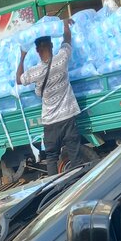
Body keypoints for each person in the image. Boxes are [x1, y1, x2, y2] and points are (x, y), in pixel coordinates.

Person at [16, 17, 81, 177]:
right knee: (74, 153)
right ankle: (80, 183)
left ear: (37, 50)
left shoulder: (34, 72)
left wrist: (23, 55)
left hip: (50, 122)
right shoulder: (61, 60)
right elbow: (67, 40)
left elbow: (19, 79)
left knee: (51, 157)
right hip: (67, 117)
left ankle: (55, 189)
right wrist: (65, 24)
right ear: (52, 45)